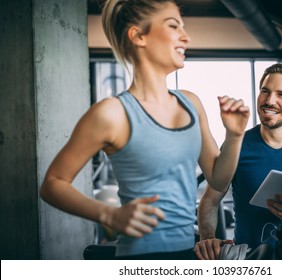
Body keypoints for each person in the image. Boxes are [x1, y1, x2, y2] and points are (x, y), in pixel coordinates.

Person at [39, 0, 249, 260]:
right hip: (139, 258)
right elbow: (52, 184)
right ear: (138, 35)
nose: (186, 36)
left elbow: (217, 179)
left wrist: (235, 135)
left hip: (187, 253)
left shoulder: (191, 103)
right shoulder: (112, 113)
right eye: (173, 26)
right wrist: (110, 214)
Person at [194, 63, 282, 260]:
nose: (269, 100)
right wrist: (208, 240)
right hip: (248, 258)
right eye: (265, 91)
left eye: (281, 94)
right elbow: (210, 200)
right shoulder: (237, 146)